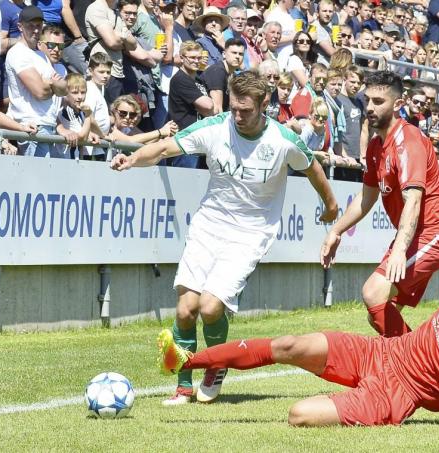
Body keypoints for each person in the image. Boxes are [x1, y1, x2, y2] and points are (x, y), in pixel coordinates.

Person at [153, 155, 439, 433]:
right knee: (289, 344)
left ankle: (357, 402)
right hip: (382, 353)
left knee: (298, 415)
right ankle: (185, 361)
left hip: (397, 392)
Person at [111, 70, 338, 406]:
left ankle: (215, 366)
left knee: (210, 306)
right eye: (234, 108)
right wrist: (132, 160)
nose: (238, 115)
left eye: (246, 110)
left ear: (264, 105)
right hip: (209, 224)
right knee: (187, 308)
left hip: (250, 232)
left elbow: (311, 167)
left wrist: (331, 204)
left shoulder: (282, 140)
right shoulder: (216, 127)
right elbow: (163, 149)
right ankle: (183, 387)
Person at [321, 71, 439, 338]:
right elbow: (367, 196)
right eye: (367, 100)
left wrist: (399, 250)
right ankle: (418, 367)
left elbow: (414, 199)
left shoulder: (408, 141)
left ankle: (415, 364)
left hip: (435, 233)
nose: (370, 107)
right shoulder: (375, 145)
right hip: (413, 234)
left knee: (373, 293)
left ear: (398, 104)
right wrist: (335, 231)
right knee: (380, 312)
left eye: (378, 101)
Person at [5, 5, 69, 158]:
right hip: (33, 127)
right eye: (30, 26)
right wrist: (52, 84)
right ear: (20, 27)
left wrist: (49, 83)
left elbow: (64, 89)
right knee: (35, 179)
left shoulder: (41, 55)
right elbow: (40, 92)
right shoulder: (18, 53)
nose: (35, 30)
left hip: (48, 125)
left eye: (38, 26)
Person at [200, 39, 246, 114]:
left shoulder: (233, 75)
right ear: (224, 54)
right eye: (234, 53)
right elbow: (217, 109)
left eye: (240, 54)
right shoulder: (217, 71)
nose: (237, 56)